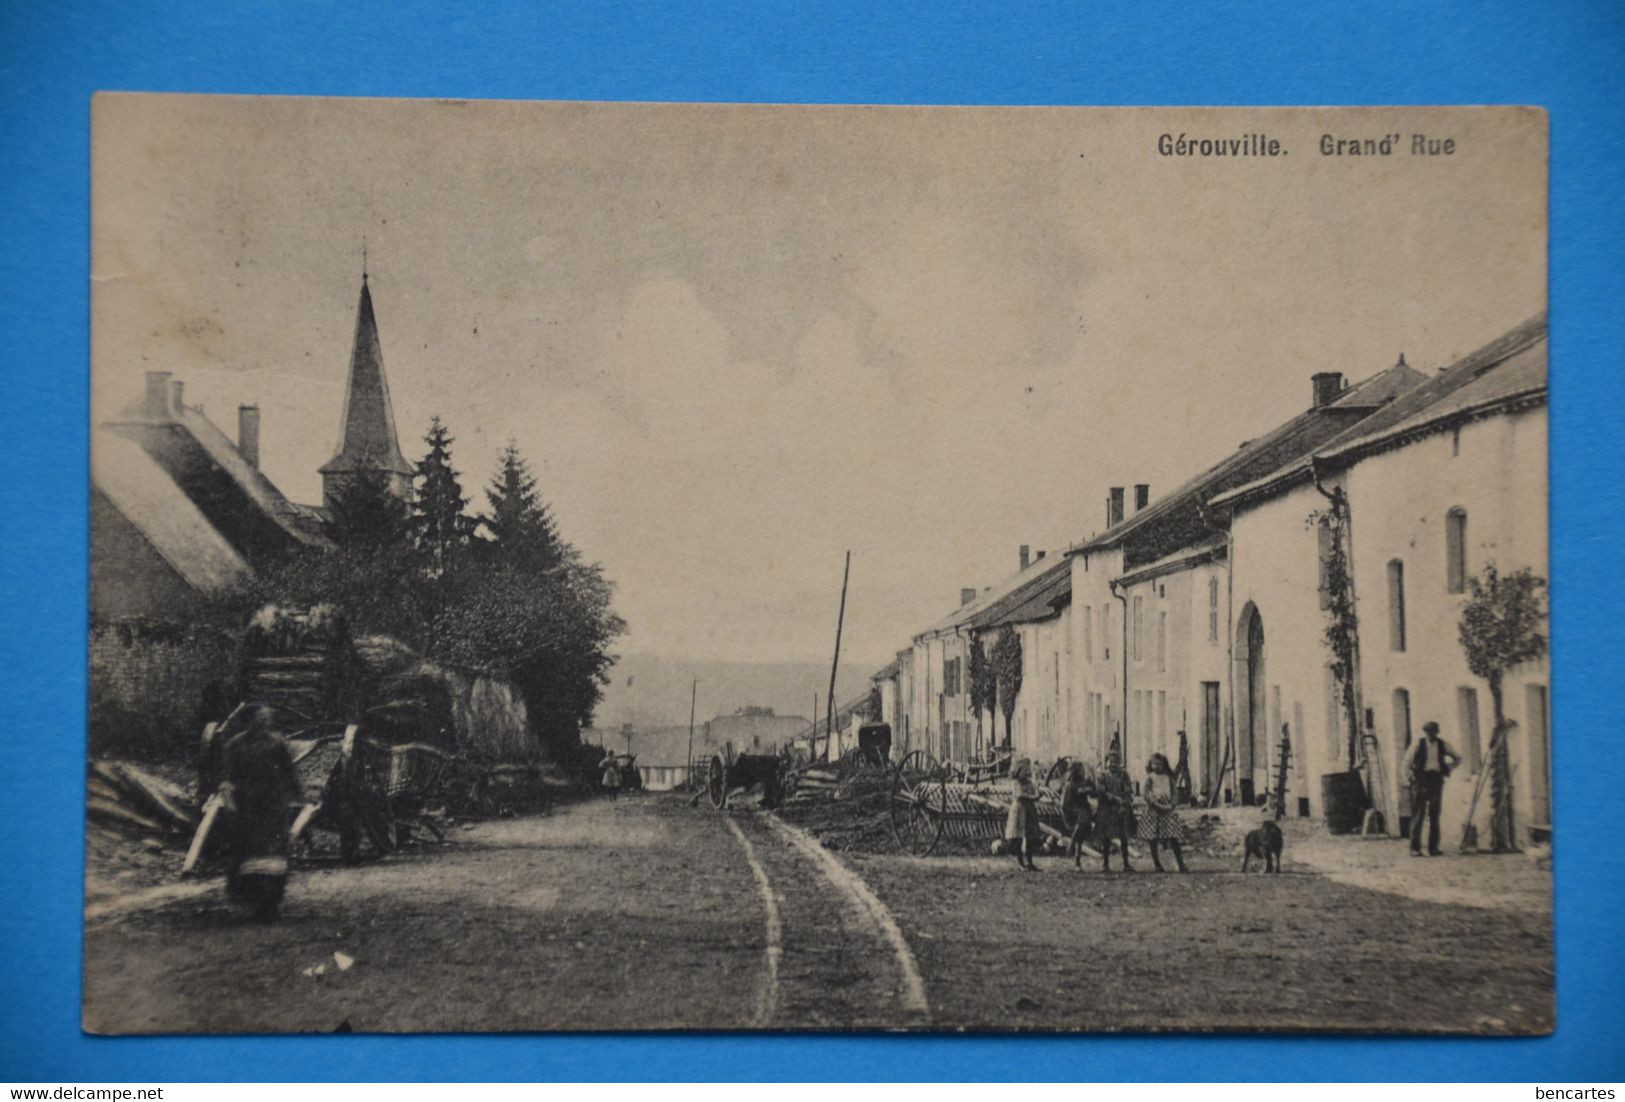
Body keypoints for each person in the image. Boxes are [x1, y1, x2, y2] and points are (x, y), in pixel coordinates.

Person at [219, 704, 303, 920]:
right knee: (248, 850)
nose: (264, 722)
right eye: (259, 718)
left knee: (274, 851)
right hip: (247, 806)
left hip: (273, 805)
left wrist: (297, 794)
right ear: (249, 722)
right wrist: (228, 798)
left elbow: (289, 772)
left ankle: (271, 902)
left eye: (267, 718)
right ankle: (248, 899)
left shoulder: (277, 743)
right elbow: (227, 775)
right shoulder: (236, 745)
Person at [1404, 720, 1460, 856]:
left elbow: (1457, 758)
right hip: (1421, 779)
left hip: (1436, 780)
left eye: (1433, 731)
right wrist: (1411, 778)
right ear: (1425, 732)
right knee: (1419, 814)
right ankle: (1415, 848)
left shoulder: (1442, 744)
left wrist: (1447, 768)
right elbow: (1406, 762)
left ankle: (1433, 848)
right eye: (1428, 732)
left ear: (1437, 732)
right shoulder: (1418, 744)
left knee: (1435, 814)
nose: (1431, 734)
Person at [1138, 752, 1189, 872]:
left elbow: (1174, 792)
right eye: (1154, 764)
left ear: (1164, 765)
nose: (1157, 766)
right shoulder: (1149, 777)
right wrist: (1154, 803)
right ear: (1150, 765)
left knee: (1173, 836)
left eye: (1159, 764)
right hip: (1153, 810)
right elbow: (1145, 794)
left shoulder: (1168, 777)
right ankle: (1157, 864)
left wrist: (1172, 804)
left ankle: (1181, 864)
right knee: (1153, 837)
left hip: (1167, 809)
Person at [1093, 749, 1135, 872]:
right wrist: (1113, 797)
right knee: (1106, 837)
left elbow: (1128, 790)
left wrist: (1124, 802)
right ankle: (1105, 864)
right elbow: (1101, 791)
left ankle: (1126, 863)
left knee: (1123, 836)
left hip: (1121, 809)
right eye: (1110, 762)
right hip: (1107, 809)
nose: (1113, 764)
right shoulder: (1103, 776)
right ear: (1106, 762)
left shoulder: (1123, 775)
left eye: (1116, 762)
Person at [1003, 758, 1042, 870]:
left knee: (1030, 836)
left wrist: (1036, 784)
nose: (1026, 773)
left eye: (1027, 770)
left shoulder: (1029, 783)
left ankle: (1029, 861)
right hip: (1019, 810)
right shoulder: (1015, 782)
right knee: (1018, 837)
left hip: (1029, 809)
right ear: (1018, 771)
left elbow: (1036, 792)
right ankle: (1020, 863)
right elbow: (1020, 795)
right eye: (1024, 770)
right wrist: (1034, 797)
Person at [1059, 760, 1096, 871]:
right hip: (1072, 812)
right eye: (1081, 770)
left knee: (1080, 838)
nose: (1083, 772)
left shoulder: (1085, 782)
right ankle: (1071, 843)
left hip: (1083, 811)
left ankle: (1077, 862)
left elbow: (1094, 793)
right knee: (1082, 820)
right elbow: (1065, 804)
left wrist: (1091, 786)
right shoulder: (1070, 785)